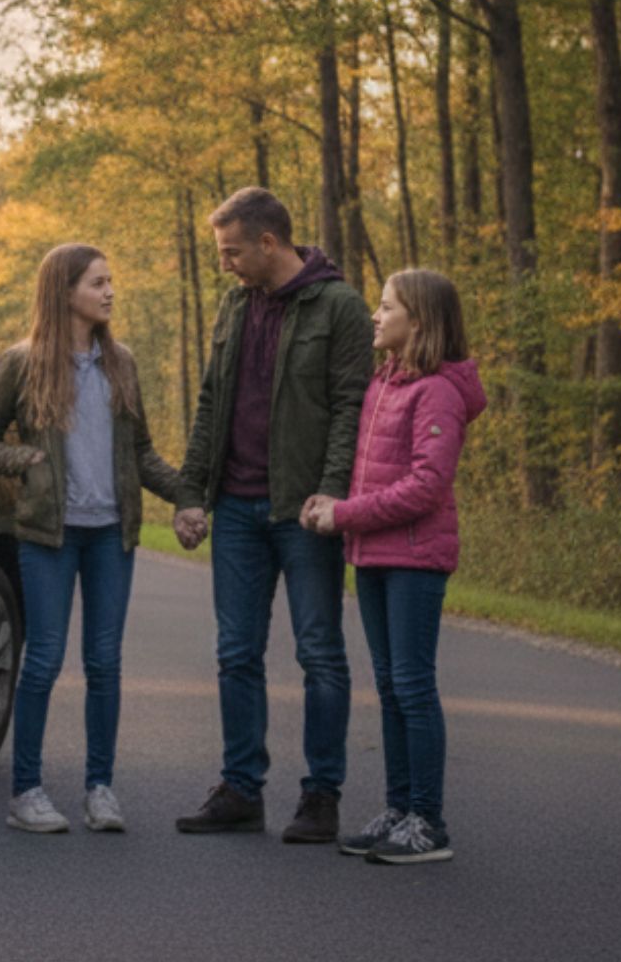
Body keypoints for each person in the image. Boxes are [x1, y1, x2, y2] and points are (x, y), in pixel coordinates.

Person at [0, 243, 202, 834]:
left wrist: (188, 495)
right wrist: (25, 461)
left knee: (105, 663)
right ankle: (27, 792)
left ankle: (100, 789)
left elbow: (141, 451)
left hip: (110, 536)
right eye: (98, 282)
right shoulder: (22, 363)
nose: (109, 291)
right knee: (42, 659)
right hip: (50, 534)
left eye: (110, 281)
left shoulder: (120, 362)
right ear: (64, 290)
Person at [172, 186, 372, 844]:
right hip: (234, 506)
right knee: (235, 652)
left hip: (303, 509)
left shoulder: (338, 305)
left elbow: (351, 407)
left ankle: (321, 797)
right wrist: (192, 490)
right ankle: (240, 789)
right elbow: (210, 401)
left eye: (231, 251)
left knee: (320, 653)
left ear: (267, 243)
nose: (224, 262)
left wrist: (332, 492)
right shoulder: (234, 305)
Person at [300, 268, 482, 865]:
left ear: (419, 321)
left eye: (386, 307)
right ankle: (399, 810)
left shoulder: (437, 392)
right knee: (389, 687)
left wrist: (346, 514)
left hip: (415, 560)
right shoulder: (386, 382)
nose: (375, 316)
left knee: (412, 686)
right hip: (376, 554)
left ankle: (428, 822)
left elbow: (428, 485)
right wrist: (337, 508)